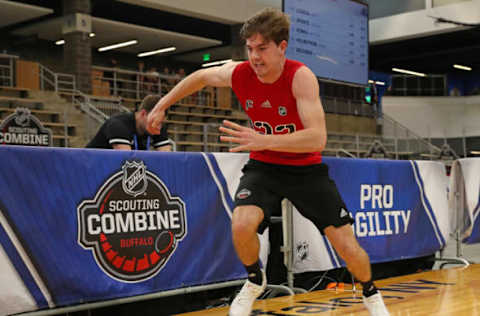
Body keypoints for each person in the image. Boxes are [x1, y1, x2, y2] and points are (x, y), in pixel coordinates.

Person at [146, 8, 389, 316]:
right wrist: (162, 105)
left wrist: (264, 140)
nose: (255, 56)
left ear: (282, 47)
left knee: (347, 247)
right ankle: (253, 280)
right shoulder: (241, 73)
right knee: (241, 224)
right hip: (265, 167)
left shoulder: (300, 77)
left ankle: (371, 293)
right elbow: (201, 76)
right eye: (250, 48)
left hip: (306, 170)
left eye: (262, 48)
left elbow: (317, 138)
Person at [86, 94, 171, 151]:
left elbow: (167, 159)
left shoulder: (156, 125)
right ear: (143, 114)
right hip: (90, 168)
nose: (159, 127)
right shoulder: (118, 125)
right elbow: (127, 162)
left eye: (161, 123)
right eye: (157, 122)